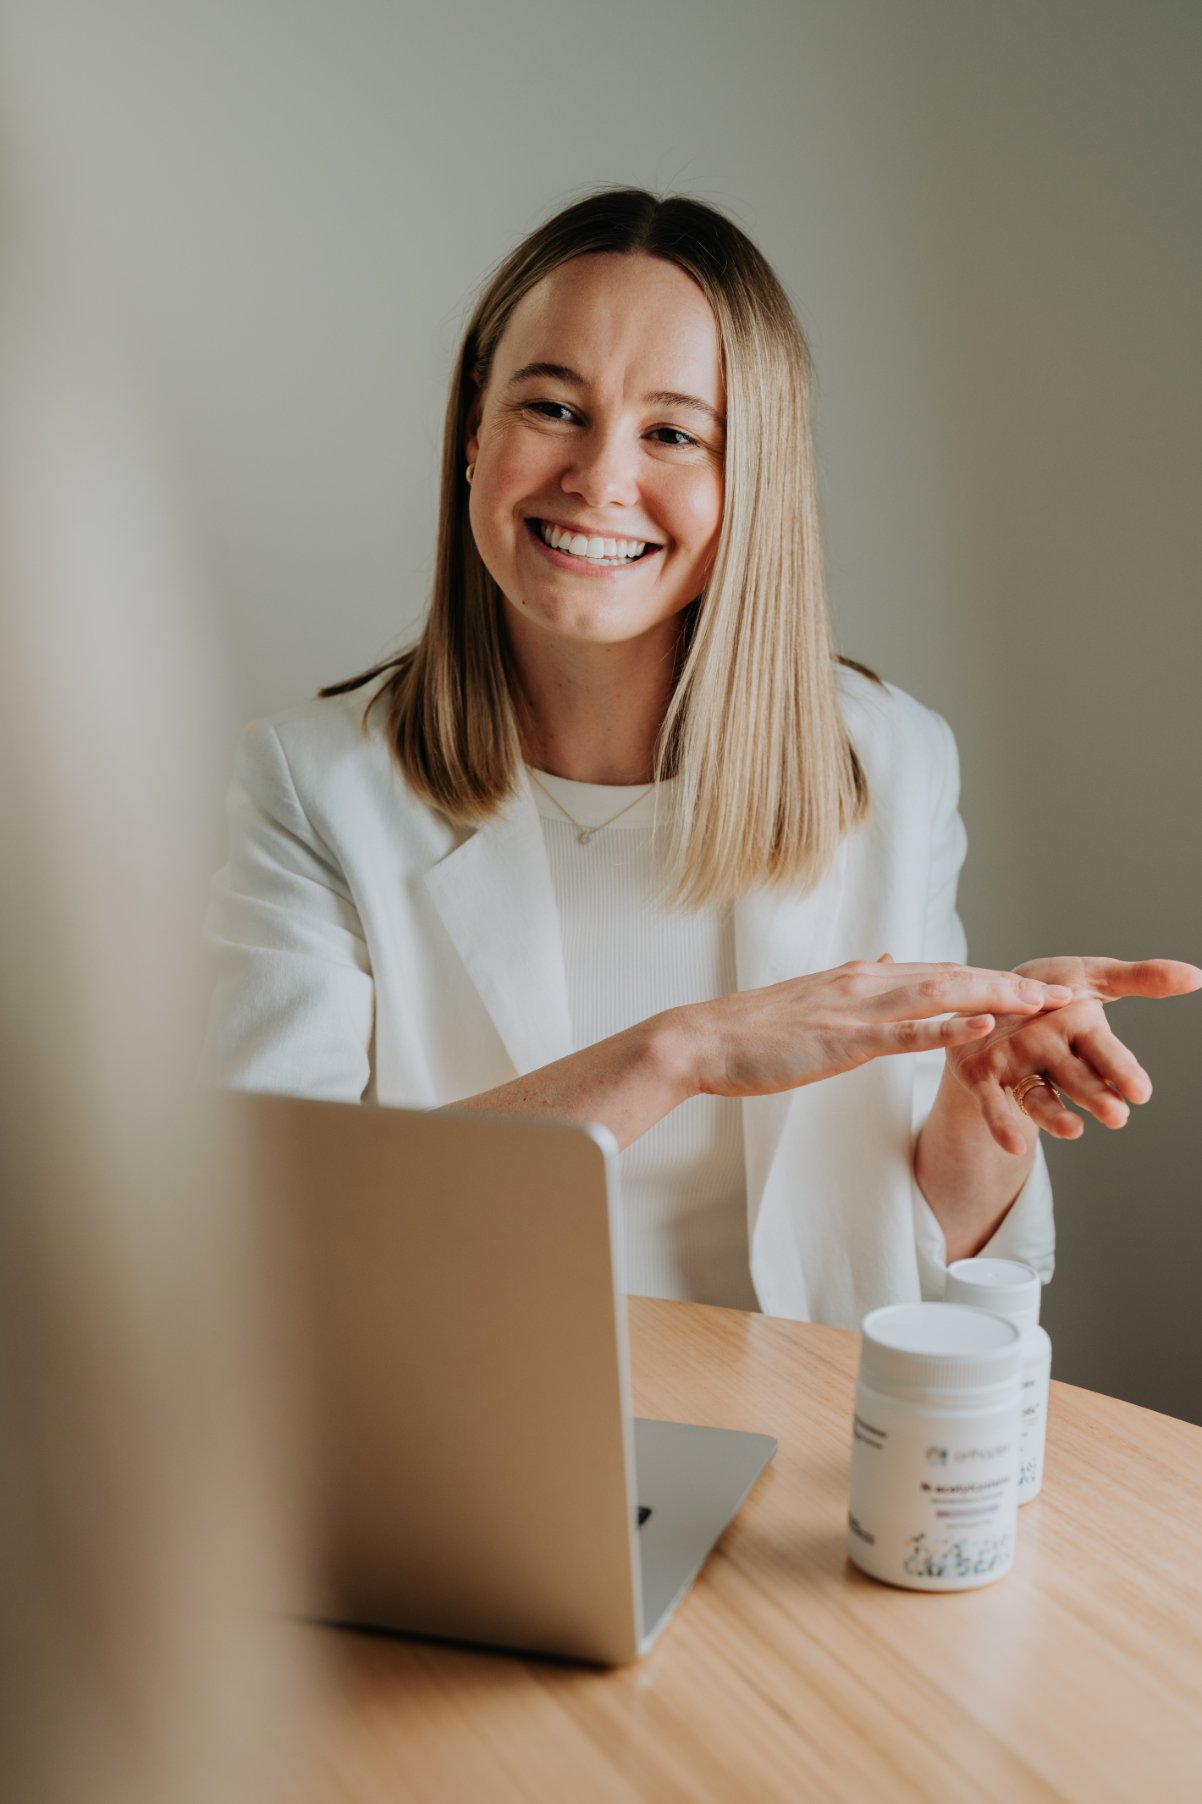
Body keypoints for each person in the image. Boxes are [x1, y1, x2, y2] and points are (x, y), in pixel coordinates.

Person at [203, 188, 1199, 1327]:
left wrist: (985, 1110)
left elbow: (926, 1255)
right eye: (552, 406)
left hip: (803, 1428)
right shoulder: (313, 787)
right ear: (473, 432)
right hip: (473, 1427)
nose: (598, 478)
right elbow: (269, 1227)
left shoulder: (891, 761)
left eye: (673, 433)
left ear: (749, 483)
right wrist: (676, 1054)